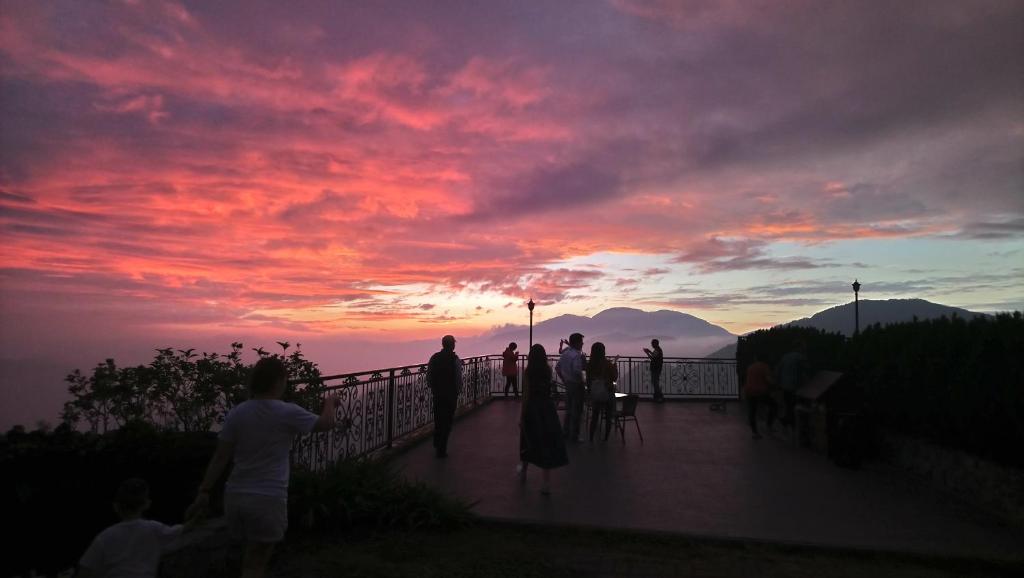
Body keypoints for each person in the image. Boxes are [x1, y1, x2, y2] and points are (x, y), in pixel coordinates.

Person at [185, 357, 339, 578]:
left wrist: (204, 491)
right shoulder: (286, 411)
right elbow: (327, 424)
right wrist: (329, 403)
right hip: (267, 498)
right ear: (278, 381)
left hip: (235, 496)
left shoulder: (238, 413)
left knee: (240, 558)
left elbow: (220, 457)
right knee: (255, 566)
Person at [78, 478, 185, 578]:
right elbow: (186, 531)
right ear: (146, 504)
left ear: (116, 506)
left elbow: (85, 570)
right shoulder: (155, 529)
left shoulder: (106, 536)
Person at [518, 344, 569, 494]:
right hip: (547, 409)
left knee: (528, 440)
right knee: (546, 443)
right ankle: (546, 483)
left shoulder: (528, 372)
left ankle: (523, 471)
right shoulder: (547, 370)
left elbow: (526, 395)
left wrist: (522, 416)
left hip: (532, 409)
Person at [427, 335, 463, 458]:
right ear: (452, 345)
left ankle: (437, 442)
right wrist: (458, 391)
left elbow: (429, 375)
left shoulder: (434, 358)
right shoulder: (455, 359)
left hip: (438, 394)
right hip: (450, 395)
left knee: (438, 419)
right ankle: (441, 448)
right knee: (447, 421)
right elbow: (458, 378)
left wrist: (433, 388)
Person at [555, 333, 585, 442]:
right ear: (576, 343)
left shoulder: (565, 354)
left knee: (569, 410)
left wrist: (564, 379)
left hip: (568, 384)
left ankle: (566, 432)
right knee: (577, 410)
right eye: (581, 341)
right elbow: (577, 371)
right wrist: (583, 381)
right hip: (576, 385)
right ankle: (575, 436)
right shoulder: (576, 355)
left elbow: (557, 368)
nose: (582, 343)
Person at [586, 342, 618, 442]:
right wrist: (615, 366)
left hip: (595, 393)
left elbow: (588, 379)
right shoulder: (607, 364)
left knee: (595, 416)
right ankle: (605, 439)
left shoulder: (590, 365)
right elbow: (614, 377)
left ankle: (591, 437)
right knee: (608, 416)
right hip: (607, 392)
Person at [775, 340, 809, 429]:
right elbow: (805, 371)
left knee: (788, 404)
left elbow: (778, 370)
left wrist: (778, 383)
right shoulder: (800, 358)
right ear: (800, 348)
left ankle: (787, 421)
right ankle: (791, 423)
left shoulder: (785, 357)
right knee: (794, 405)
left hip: (785, 385)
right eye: (803, 347)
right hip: (794, 386)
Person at [743, 352, 776, 439]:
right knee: (774, 406)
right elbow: (769, 380)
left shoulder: (750, 367)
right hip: (760, 392)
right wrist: (775, 385)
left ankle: (755, 432)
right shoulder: (765, 366)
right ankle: (769, 426)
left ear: (756, 358)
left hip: (749, 392)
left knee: (752, 412)